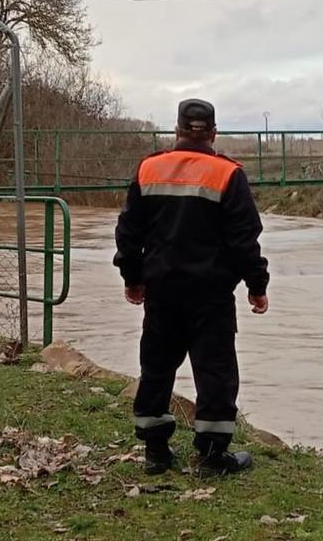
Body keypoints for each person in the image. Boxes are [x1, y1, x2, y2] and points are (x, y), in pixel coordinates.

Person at [114, 98, 270, 475]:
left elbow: (129, 233)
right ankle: (212, 455)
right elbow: (244, 239)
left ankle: (156, 452)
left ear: (177, 131)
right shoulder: (229, 175)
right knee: (215, 371)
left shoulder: (149, 169)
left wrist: (133, 279)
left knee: (156, 368)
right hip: (211, 295)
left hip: (162, 290)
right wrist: (256, 284)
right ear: (213, 134)